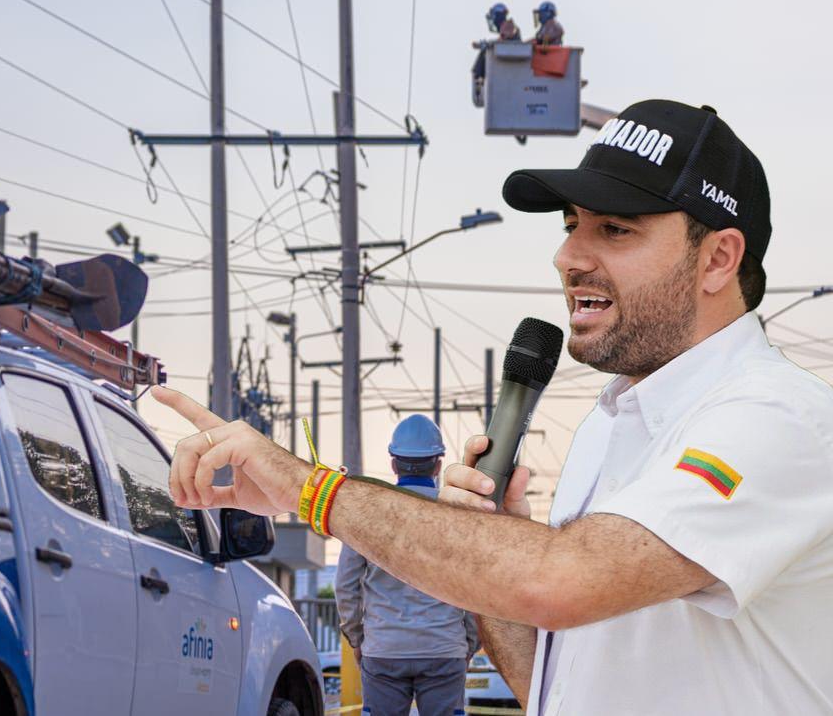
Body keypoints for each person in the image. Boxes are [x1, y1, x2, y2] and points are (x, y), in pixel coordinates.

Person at [154, 98, 833, 714]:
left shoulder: (778, 417)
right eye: (571, 226)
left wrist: (308, 488)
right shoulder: (611, 425)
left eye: (615, 230)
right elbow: (553, 679)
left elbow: (561, 580)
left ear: (718, 258)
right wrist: (489, 539)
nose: (569, 255)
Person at [335, 415, 479, 716]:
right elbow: (474, 587)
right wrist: (467, 641)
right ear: (438, 465)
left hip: (384, 650)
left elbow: (346, 585)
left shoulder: (365, 512)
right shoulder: (458, 515)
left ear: (393, 464)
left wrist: (357, 638)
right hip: (443, 649)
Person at [472, 2, 522, 106]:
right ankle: (480, 79)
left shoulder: (508, 25)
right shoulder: (506, 26)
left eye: (493, 17)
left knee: (484, 52)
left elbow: (504, 39)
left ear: (498, 16)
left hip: (511, 59)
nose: (493, 21)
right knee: (484, 52)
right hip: (507, 59)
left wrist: (487, 44)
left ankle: (479, 79)